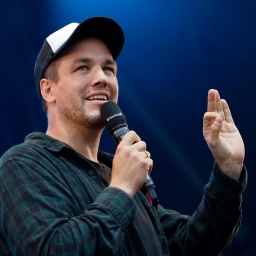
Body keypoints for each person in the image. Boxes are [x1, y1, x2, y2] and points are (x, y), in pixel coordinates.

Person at [0, 16, 247, 256]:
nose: (101, 78)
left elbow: (193, 244)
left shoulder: (116, 172)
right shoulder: (22, 165)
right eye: (83, 67)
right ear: (48, 89)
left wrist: (228, 169)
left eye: (109, 68)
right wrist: (122, 187)